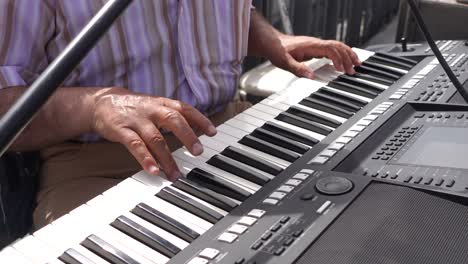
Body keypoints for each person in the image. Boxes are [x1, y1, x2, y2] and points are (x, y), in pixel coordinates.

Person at [0, 0, 361, 230]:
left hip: (227, 126)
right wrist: (94, 107)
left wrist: (270, 39)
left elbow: (235, 10)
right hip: (100, 163)